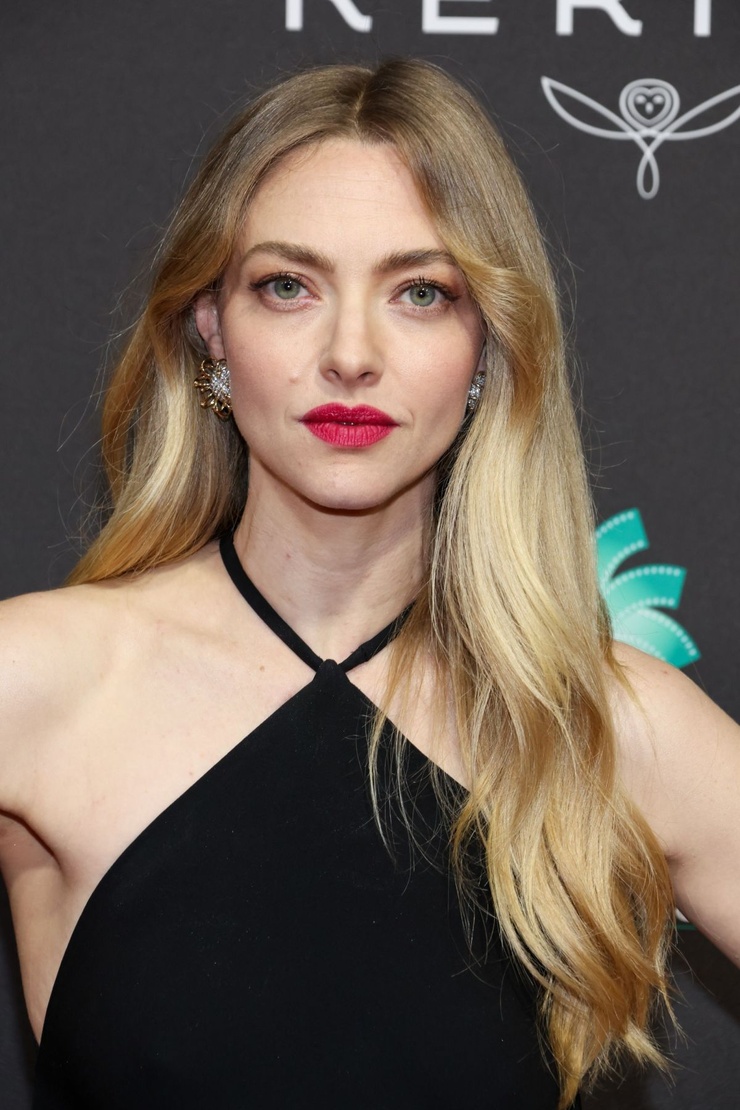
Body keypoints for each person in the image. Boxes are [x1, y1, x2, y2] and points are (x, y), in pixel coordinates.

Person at [0, 57, 738, 1110]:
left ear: (485, 345)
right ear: (211, 328)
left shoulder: (600, 725)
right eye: (287, 287)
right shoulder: (34, 681)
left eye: (420, 293)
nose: (350, 354)